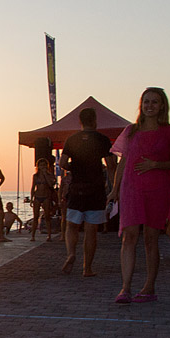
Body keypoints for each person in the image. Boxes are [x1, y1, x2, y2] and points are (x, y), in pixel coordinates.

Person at [107, 87, 170, 303]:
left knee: (150, 239)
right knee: (129, 236)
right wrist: (114, 189)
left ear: (162, 106)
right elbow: (122, 163)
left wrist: (156, 164)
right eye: (146, 102)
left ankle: (149, 287)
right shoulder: (130, 131)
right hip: (131, 188)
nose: (150, 106)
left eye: (154, 102)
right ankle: (125, 288)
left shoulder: (169, 132)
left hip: (158, 188)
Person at [58, 107, 117, 276]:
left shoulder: (72, 139)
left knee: (71, 226)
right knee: (91, 231)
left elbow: (62, 163)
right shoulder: (103, 140)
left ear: (80, 121)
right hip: (96, 188)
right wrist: (113, 187)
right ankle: (87, 268)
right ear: (95, 121)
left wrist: (74, 167)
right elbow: (111, 164)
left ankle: (71, 254)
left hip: (77, 188)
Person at [29, 157, 56, 242]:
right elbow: (33, 187)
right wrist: (31, 198)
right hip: (37, 196)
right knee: (35, 216)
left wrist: (45, 174)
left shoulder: (49, 175)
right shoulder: (35, 176)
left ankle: (49, 235)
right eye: (41, 165)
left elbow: (51, 185)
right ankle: (33, 236)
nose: (42, 167)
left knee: (47, 216)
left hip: (46, 196)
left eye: (44, 165)